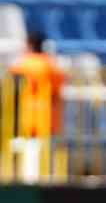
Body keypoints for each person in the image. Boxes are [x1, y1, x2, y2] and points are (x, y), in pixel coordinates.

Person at [7, 31, 67, 184]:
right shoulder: (50, 65)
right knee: (43, 151)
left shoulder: (22, 65)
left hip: (26, 114)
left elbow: (10, 85)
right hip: (47, 114)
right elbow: (58, 87)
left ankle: (29, 182)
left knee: (28, 150)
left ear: (30, 45)